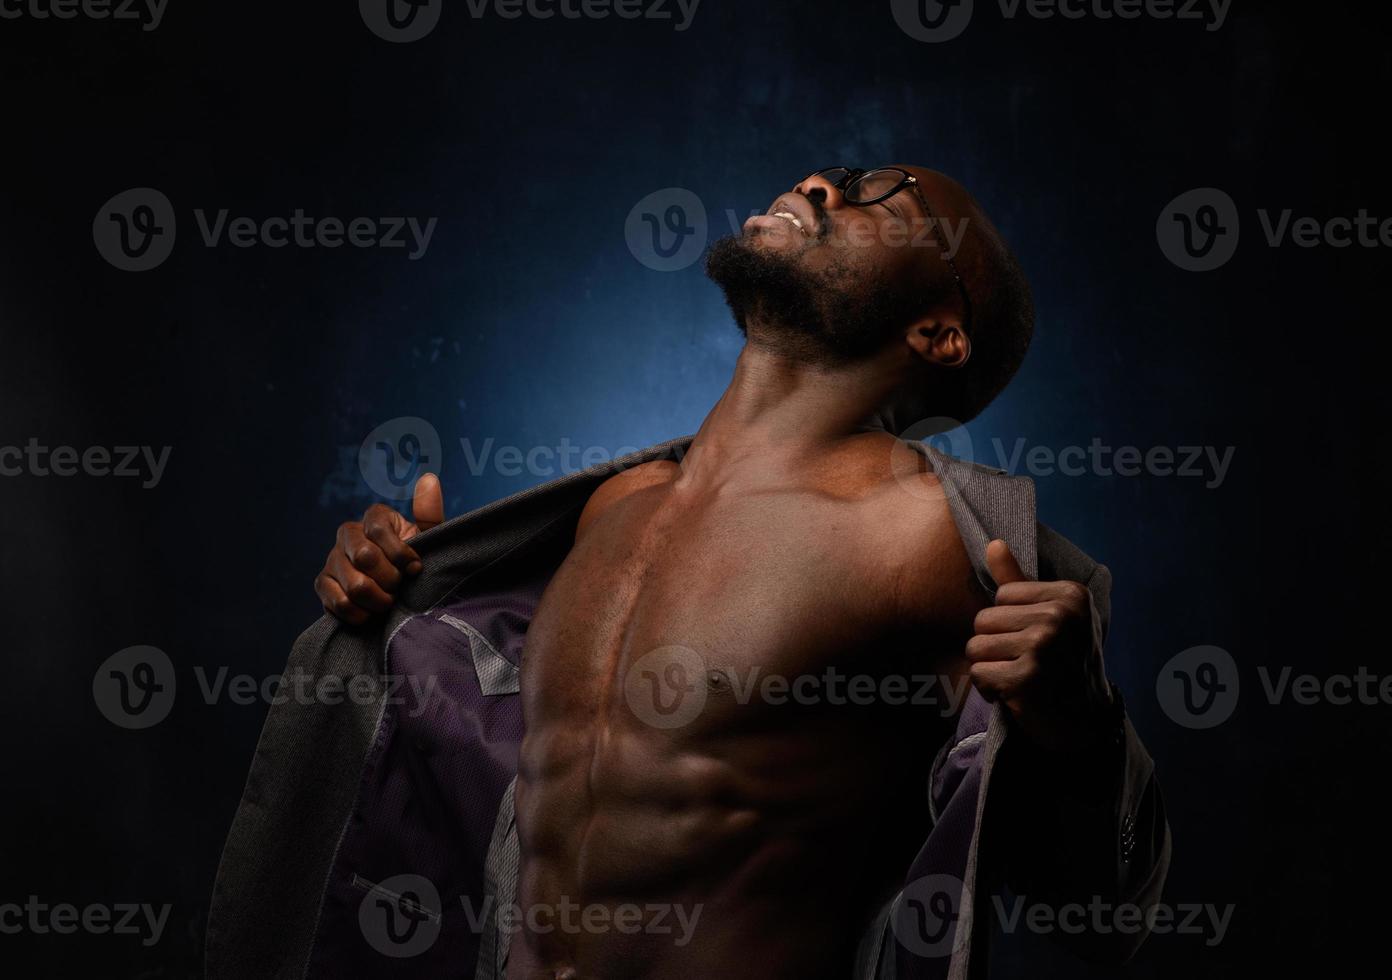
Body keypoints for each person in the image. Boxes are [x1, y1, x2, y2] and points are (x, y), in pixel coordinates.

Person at [296, 165, 1168, 979]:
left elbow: (1092, 903)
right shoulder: (616, 507)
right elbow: (503, 755)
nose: (822, 185)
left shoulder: (929, 540)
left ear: (938, 333)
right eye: (834, 174)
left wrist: (1076, 723)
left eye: (889, 205)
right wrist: (407, 600)